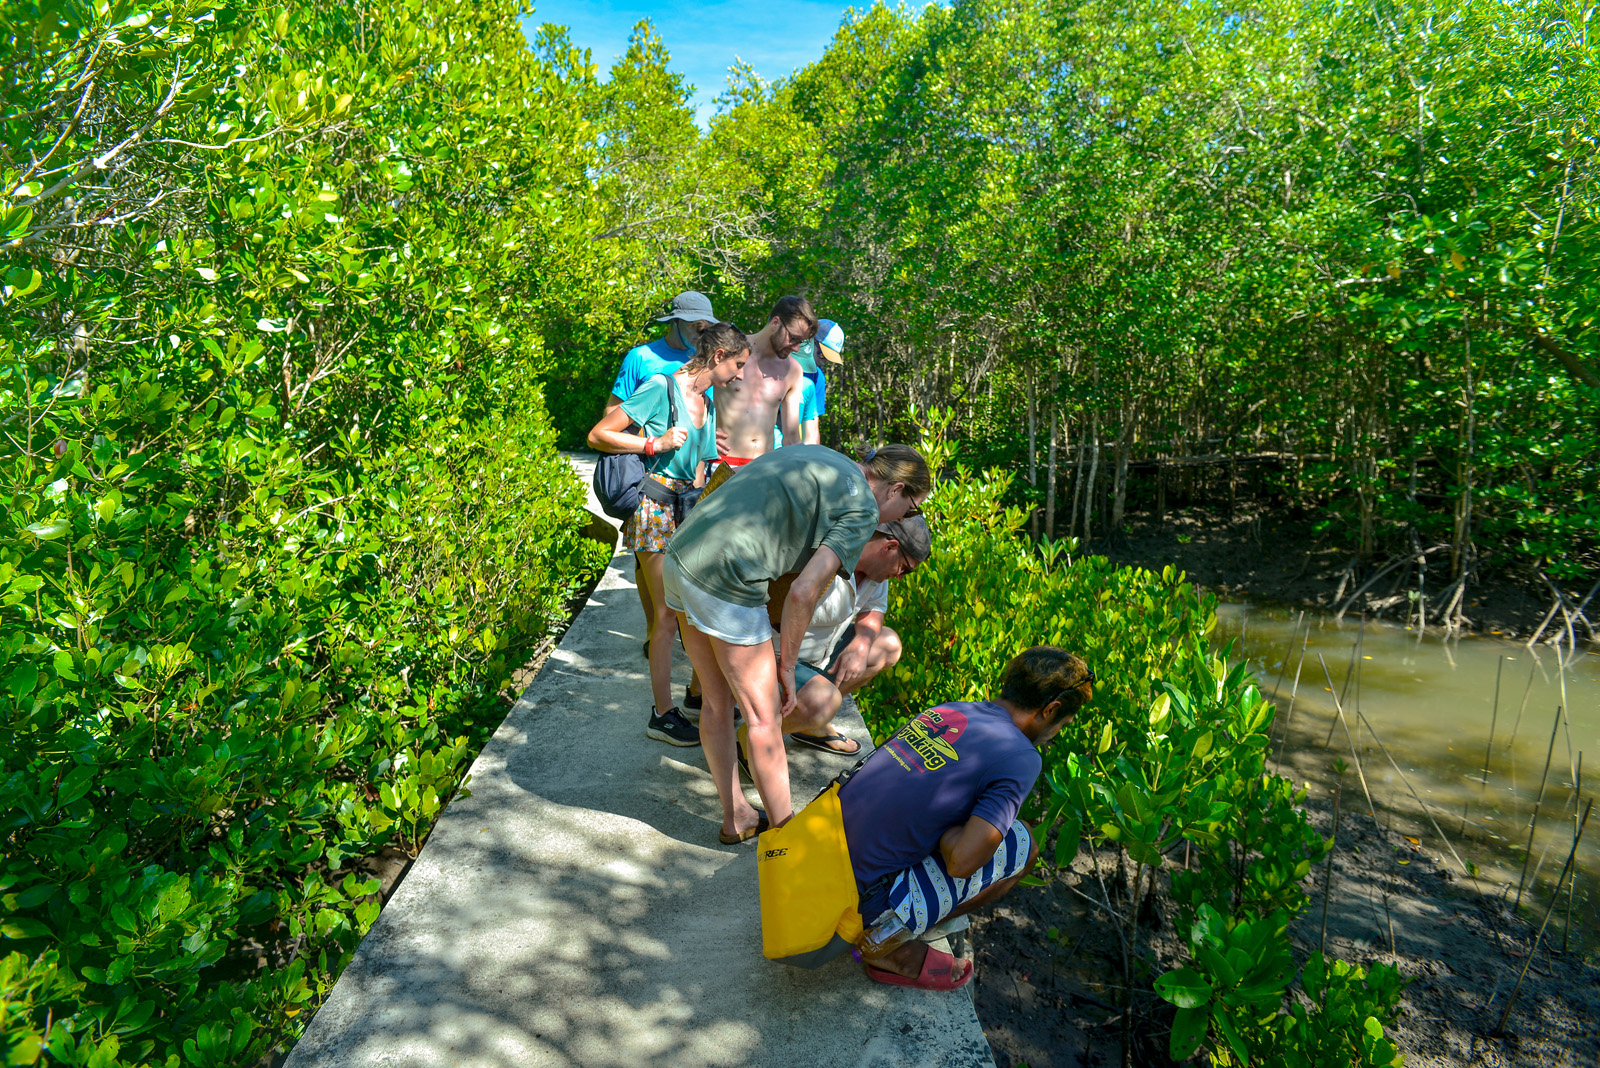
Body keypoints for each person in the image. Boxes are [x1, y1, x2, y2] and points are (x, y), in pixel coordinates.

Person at [663, 444, 932, 844]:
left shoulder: (823, 456)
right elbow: (804, 591)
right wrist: (786, 667)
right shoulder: (864, 508)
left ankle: (738, 816)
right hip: (728, 577)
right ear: (895, 490)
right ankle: (787, 837)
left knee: (718, 703)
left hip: (681, 556)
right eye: (911, 508)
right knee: (764, 718)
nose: (903, 518)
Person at [842, 646, 1096, 990]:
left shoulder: (950, 709)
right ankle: (891, 941)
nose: (1056, 734)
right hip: (860, 901)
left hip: (824, 851)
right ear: (1050, 710)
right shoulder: (1022, 756)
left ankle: (901, 913)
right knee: (1024, 845)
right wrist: (950, 835)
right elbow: (962, 862)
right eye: (1062, 724)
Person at [587, 323, 749, 747]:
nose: (741, 374)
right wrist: (652, 445)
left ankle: (697, 699)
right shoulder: (661, 387)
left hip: (689, 511)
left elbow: (698, 466)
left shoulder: (708, 400)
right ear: (718, 357)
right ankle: (661, 714)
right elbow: (600, 433)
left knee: (696, 612)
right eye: (738, 364)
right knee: (664, 617)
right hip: (654, 510)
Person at [603, 291, 717, 663]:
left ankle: (665, 636)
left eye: (707, 327)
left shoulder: (701, 365)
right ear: (676, 322)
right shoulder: (641, 358)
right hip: (645, 481)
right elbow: (612, 416)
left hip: (685, 488)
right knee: (644, 565)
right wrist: (653, 445)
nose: (703, 332)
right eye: (698, 326)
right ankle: (656, 636)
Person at [769, 515, 932, 756]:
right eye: (904, 569)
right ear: (890, 547)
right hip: (776, 657)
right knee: (824, 702)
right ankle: (758, 736)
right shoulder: (830, 556)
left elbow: (875, 608)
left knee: (888, 644)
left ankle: (805, 723)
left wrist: (862, 644)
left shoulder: (877, 573)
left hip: (818, 659)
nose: (899, 577)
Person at [703, 295, 816, 495]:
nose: (796, 347)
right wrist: (702, 435)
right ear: (775, 323)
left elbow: (791, 437)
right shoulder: (731, 350)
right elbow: (690, 391)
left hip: (763, 471)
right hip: (722, 464)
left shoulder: (793, 370)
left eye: (802, 342)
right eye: (793, 338)